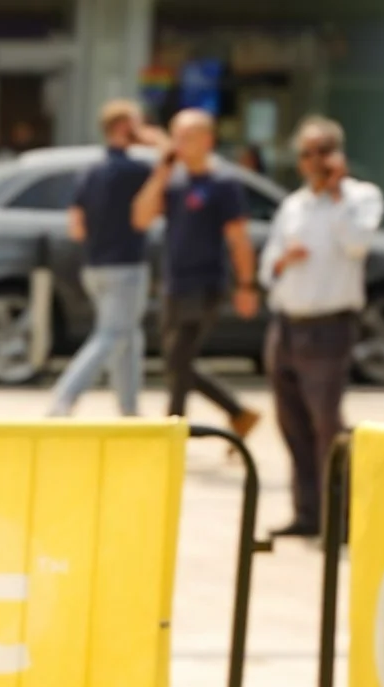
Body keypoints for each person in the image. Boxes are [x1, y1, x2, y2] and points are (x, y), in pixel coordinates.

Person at [260, 115, 382, 540]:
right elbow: (267, 266)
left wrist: (334, 194)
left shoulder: (360, 198)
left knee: (327, 424)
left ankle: (341, 516)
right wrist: (283, 260)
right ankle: (307, 513)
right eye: (306, 153)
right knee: (291, 423)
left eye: (322, 151)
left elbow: (357, 244)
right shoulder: (293, 205)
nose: (313, 161)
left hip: (329, 326)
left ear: (336, 154)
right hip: (286, 325)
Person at [132, 107, 261, 437]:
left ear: (208, 140)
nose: (180, 143)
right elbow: (141, 218)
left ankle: (172, 432)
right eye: (176, 136)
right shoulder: (173, 181)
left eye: (188, 137)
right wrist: (160, 174)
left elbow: (239, 239)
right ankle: (238, 412)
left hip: (205, 284)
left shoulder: (223, 183)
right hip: (174, 283)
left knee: (179, 360)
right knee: (175, 362)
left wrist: (246, 285)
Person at [47, 99, 159, 418]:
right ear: (125, 127)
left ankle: (129, 408)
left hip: (94, 266)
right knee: (112, 335)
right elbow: (164, 181)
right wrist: (156, 141)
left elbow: (76, 226)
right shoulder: (137, 170)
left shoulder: (90, 171)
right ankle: (63, 400)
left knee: (128, 336)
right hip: (126, 265)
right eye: (137, 123)